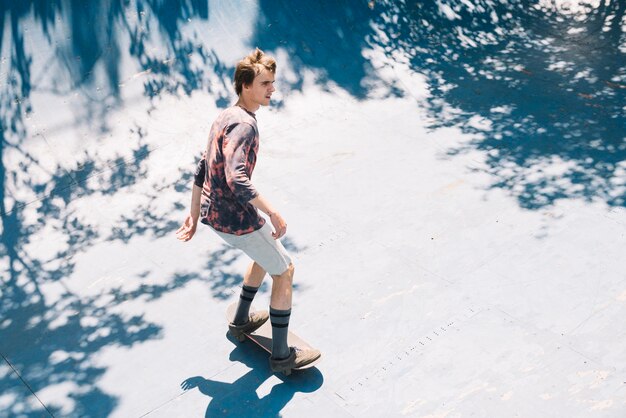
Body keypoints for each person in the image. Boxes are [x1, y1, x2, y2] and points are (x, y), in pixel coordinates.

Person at [176, 48, 320, 373]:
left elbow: (203, 166)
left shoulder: (224, 116)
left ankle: (241, 319)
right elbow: (236, 177)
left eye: (272, 82)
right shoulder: (245, 126)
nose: (272, 90)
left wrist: (194, 213)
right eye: (265, 83)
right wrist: (273, 211)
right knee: (284, 271)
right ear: (245, 86)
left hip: (215, 215)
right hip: (236, 218)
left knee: (265, 250)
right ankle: (282, 356)